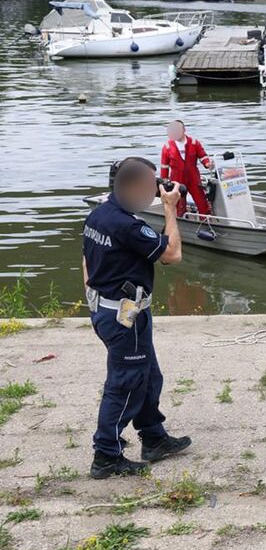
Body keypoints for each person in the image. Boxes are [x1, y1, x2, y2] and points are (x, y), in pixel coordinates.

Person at [83, 157, 191, 479]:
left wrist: (95, 306)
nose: (154, 190)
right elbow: (173, 254)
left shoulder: (99, 215)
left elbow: (86, 261)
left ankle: (154, 437)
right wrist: (170, 207)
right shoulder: (128, 226)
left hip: (114, 312)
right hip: (123, 318)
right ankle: (106, 455)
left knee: (148, 376)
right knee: (124, 385)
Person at [160, 120, 213, 217]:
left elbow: (203, 156)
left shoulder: (194, 143)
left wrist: (208, 164)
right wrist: (164, 180)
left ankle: (205, 219)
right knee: (179, 202)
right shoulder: (167, 146)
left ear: (184, 130)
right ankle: (180, 219)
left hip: (193, 177)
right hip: (177, 179)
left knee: (201, 200)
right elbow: (164, 165)